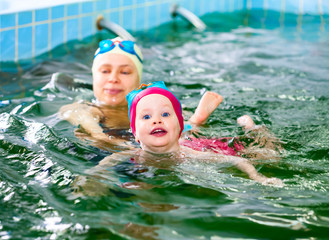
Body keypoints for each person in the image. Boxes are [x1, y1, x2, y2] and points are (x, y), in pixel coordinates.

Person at [97, 81, 284, 186]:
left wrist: (258, 177)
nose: (156, 120)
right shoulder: (130, 153)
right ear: (135, 134)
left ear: (178, 126)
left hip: (205, 145)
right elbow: (102, 166)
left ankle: (250, 127)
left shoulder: (192, 155)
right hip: (184, 137)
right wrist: (89, 180)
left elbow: (239, 160)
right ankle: (195, 120)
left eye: (164, 114)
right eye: (146, 116)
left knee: (265, 154)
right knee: (189, 132)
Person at [59, 37, 223, 148]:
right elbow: (94, 133)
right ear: (93, 77)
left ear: (138, 80)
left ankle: (196, 120)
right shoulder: (85, 109)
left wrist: (194, 123)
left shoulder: (155, 108)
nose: (113, 79)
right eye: (105, 71)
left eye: (124, 72)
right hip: (109, 155)